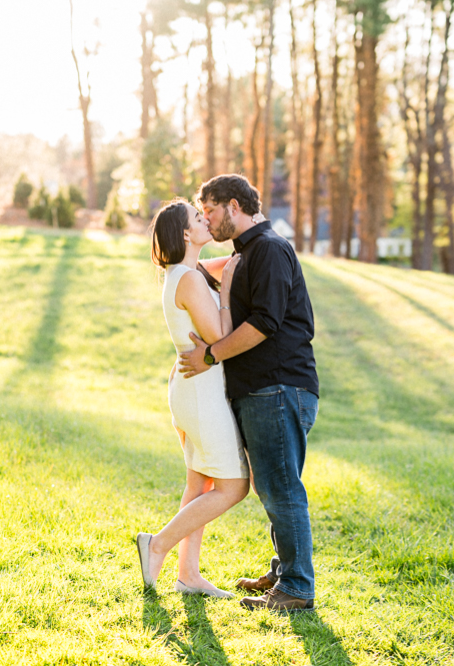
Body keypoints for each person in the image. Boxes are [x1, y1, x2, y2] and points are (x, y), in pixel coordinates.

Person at [177, 174, 320, 612]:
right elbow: (197, 274)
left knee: (281, 488)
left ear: (234, 206)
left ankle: (296, 588)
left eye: (211, 211)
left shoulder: (271, 250)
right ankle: (284, 572)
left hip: (278, 387)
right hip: (261, 390)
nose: (207, 219)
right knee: (271, 485)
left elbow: (264, 324)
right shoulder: (245, 255)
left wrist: (212, 355)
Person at [135, 199, 250, 598]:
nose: (207, 221)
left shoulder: (185, 273)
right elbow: (220, 336)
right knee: (233, 486)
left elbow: (230, 260)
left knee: (198, 485)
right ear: (186, 233)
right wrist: (231, 287)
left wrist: (241, 253)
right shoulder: (188, 280)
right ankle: (157, 545)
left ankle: (188, 575)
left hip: (189, 389)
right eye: (199, 219)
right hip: (200, 394)